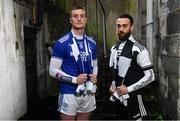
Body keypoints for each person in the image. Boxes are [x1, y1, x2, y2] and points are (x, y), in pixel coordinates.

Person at [49, 6, 98, 120]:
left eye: (82, 16)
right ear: (70, 20)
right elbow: (52, 70)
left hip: (88, 92)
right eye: (75, 16)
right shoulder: (61, 43)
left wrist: (94, 76)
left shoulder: (92, 43)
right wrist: (75, 80)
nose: (79, 19)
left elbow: (95, 65)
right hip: (69, 92)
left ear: (86, 20)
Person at [109, 14, 155, 120]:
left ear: (132, 27)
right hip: (118, 97)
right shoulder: (113, 48)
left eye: (124, 26)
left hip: (134, 97)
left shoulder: (139, 49)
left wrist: (128, 89)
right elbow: (114, 71)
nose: (121, 29)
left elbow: (151, 76)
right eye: (118, 26)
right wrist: (113, 86)